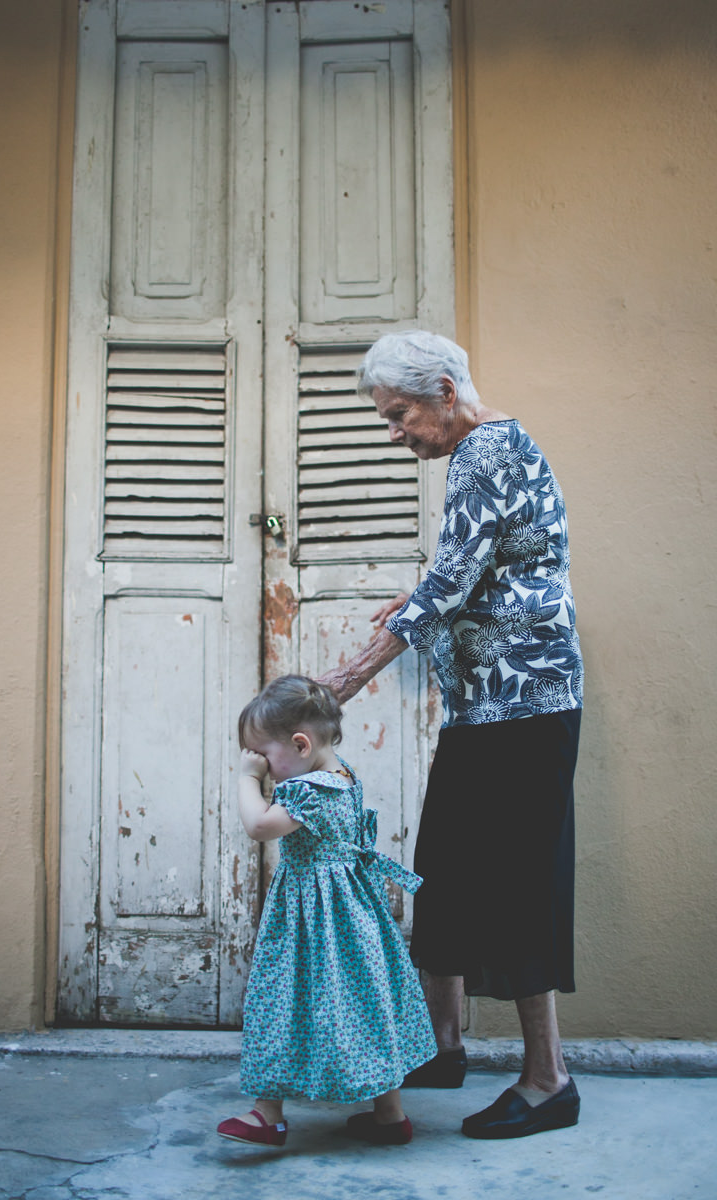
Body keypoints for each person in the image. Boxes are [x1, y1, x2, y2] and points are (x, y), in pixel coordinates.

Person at [318, 330, 584, 1140]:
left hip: (525, 705)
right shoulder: (486, 451)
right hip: (488, 705)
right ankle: (443, 1047)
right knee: (447, 869)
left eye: (399, 415)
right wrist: (418, 599)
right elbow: (481, 566)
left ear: (442, 390)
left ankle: (548, 1082)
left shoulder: (485, 449)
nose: (394, 432)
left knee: (518, 882)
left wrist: (344, 679)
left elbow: (456, 577)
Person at [217, 675, 437, 1148]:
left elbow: (258, 825)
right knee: (365, 1002)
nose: (264, 768)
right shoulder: (344, 776)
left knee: (283, 1000)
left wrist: (245, 779)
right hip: (353, 914)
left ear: (300, 744)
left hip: (311, 918)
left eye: (266, 756)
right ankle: (389, 1115)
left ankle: (267, 1114)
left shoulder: (309, 790)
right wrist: (264, 770)